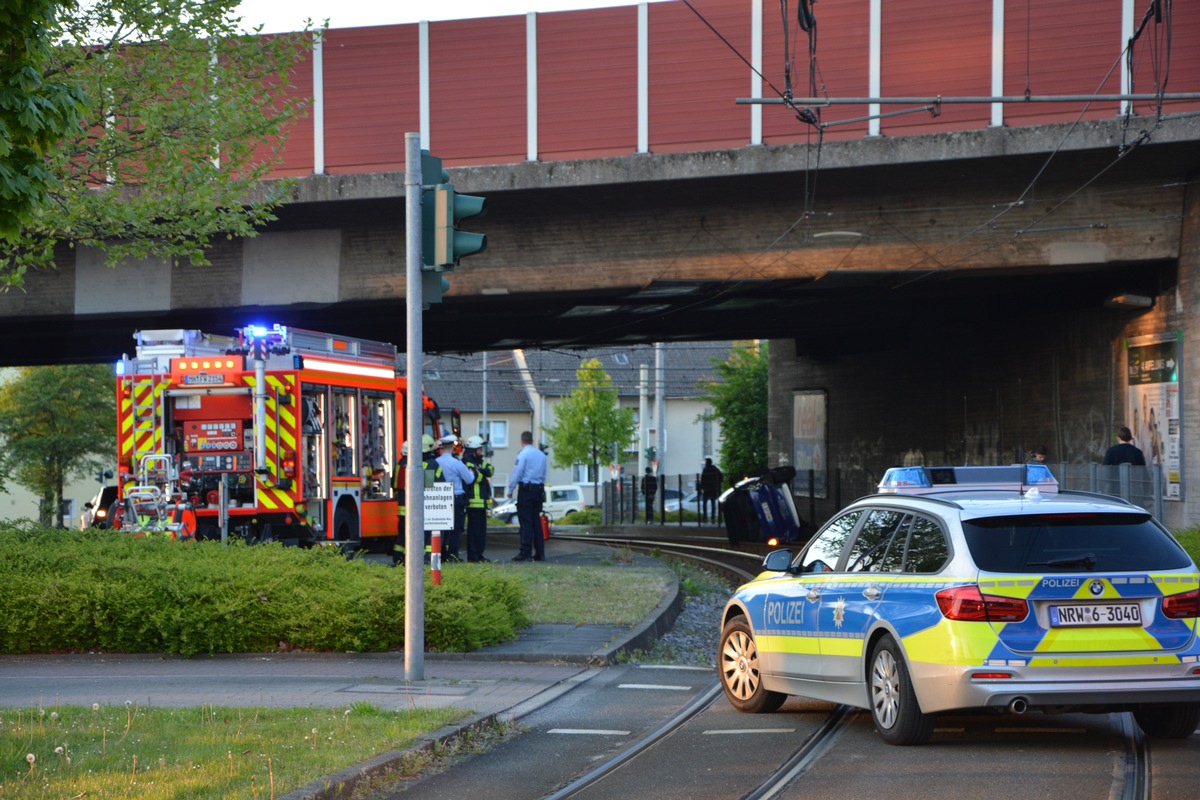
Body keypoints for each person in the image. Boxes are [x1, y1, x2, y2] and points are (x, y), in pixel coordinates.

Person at [506, 431, 547, 562]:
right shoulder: (541, 455)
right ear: (532, 440)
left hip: (526, 490)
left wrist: (511, 489)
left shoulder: (523, 454)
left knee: (525, 522)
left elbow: (518, 473)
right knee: (536, 522)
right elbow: (544, 473)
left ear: (522, 441)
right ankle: (540, 553)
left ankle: (525, 552)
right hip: (538, 490)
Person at [435, 434, 474, 563]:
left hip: (440, 498)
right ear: (453, 447)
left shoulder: (436, 462)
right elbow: (469, 480)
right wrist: (472, 472)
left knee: (441, 528)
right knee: (456, 529)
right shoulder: (456, 463)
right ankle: (453, 555)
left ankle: (441, 554)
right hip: (456, 499)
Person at [462, 435, 494, 563]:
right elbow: (475, 478)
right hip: (473, 503)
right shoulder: (467, 461)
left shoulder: (479, 462)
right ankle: (473, 556)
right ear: (473, 450)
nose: (481, 451)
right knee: (474, 532)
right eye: (479, 449)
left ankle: (479, 555)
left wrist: (481, 470)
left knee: (481, 532)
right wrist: (481, 473)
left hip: (482, 503)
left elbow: (490, 470)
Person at [700, 457, 723, 521]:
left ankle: (705, 517)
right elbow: (721, 478)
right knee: (713, 503)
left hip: (707, 489)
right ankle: (713, 517)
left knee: (705, 503)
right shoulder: (715, 469)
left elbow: (702, 479)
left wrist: (702, 487)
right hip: (714, 489)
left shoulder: (705, 470)